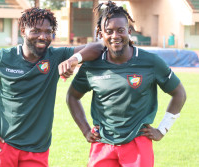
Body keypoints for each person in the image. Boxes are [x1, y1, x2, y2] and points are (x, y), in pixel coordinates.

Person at [0, 7, 103, 167]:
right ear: (23, 30)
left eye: (48, 32)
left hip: (37, 150)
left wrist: (74, 59)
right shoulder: (2, 59)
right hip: (1, 145)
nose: (43, 37)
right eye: (36, 31)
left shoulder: (55, 57)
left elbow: (98, 47)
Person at [66, 1, 186, 167]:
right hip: (102, 143)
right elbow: (72, 96)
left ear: (129, 32)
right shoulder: (92, 65)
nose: (115, 35)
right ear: (101, 35)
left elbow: (179, 93)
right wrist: (86, 130)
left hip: (137, 143)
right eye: (109, 31)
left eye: (120, 30)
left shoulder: (150, 62)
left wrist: (163, 129)